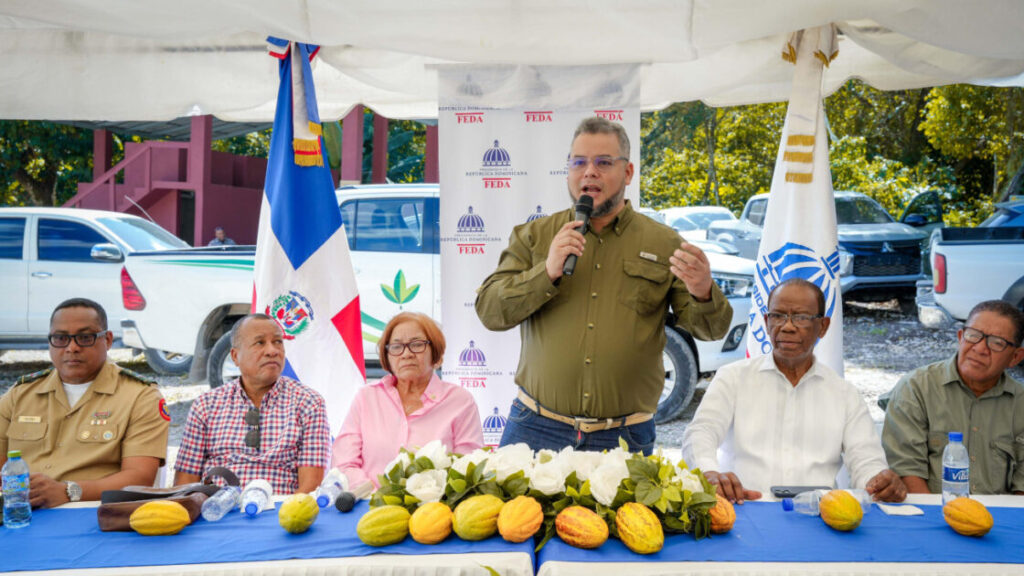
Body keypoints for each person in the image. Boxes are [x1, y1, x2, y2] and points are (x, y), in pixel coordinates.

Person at [475, 116, 732, 455]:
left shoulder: (665, 243)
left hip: (624, 438)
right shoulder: (534, 237)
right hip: (536, 429)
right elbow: (491, 312)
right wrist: (546, 271)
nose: (589, 172)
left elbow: (711, 329)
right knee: (516, 512)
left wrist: (702, 290)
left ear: (627, 173)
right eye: (579, 162)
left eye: (603, 163)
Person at [682, 279, 906, 503]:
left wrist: (879, 482)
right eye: (778, 316)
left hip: (820, 516)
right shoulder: (733, 378)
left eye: (801, 317)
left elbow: (866, 459)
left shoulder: (844, 394)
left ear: (823, 326)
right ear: (767, 322)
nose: (787, 326)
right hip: (745, 508)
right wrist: (708, 472)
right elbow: (701, 432)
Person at [0, 298, 168, 508]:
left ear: (107, 340)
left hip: (95, 514)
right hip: (23, 515)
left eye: (85, 337)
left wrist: (68, 492)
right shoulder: (20, 395)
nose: (72, 347)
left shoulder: (140, 396)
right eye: (61, 338)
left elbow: (140, 478)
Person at [173, 313, 330, 494]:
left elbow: (310, 488)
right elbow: (185, 484)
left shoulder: (308, 403)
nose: (272, 350)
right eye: (260, 343)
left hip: (279, 514)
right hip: (216, 512)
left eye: (278, 342)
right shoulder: (206, 406)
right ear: (235, 356)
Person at [882, 299, 1024, 495]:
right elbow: (907, 471)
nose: (980, 348)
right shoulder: (917, 388)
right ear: (960, 337)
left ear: (1015, 357)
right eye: (973, 336)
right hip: (934, 516)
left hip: (1000, 520)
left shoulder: (1020, 403)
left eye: (997, 343)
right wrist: (938, 521)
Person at [332, 312, 483, 487]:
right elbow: (344, 462)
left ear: (436, 353)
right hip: (370, 506)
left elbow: (469, 466)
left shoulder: (459, 401)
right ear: (387, 356)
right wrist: (377, 496)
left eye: (417, 344)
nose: (406, 354)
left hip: (434, 509)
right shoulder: (366, 397)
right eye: (396, 347)